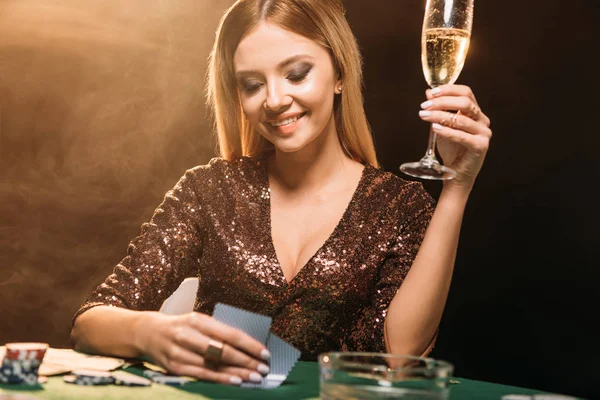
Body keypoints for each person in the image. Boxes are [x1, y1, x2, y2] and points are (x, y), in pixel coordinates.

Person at [70, 0, 492, 387]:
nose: (274, 100)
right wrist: (152, 333)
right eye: (252, 84)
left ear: (340, 73)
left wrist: (458, 185)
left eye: (295, 74)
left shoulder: (399, 206)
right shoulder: (210, 189)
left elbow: (398, 359)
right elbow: (90, 323)